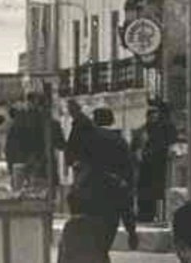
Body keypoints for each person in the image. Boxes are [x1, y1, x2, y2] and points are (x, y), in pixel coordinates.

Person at [57, 105, 137, 263]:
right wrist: (131, 230)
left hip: (86, 203)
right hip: (110, 206)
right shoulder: (121, 143)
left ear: (95, 120)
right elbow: (128, 181)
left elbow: (70, 158)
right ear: (112, 120)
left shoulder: (87, 139)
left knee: (82, 249)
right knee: (100, 249)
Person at [134, 102, 177, 223]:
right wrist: (137, 154)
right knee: (145, 192)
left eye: (155, 113)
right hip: (144, 167)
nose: (152, 116)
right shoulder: (142, 131)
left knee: (157, 191)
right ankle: (145, 214)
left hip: (158, 165)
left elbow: (166, 144)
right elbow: (134, 148)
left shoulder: (165, 129)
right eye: (150, 114)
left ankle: (158, 215)